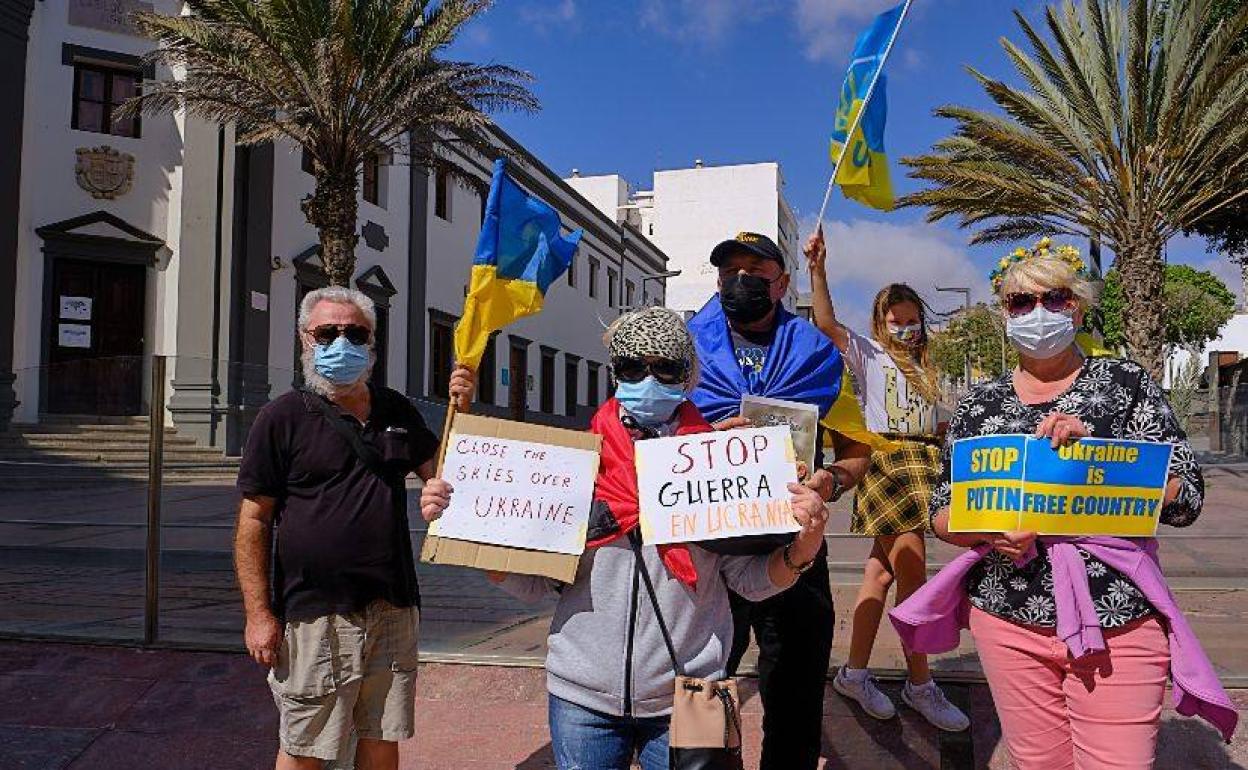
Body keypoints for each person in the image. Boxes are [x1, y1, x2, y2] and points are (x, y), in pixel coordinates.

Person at [419, 307, 834, 770]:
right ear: (615, 373)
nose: (648, 380)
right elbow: (536, 584)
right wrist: (471, 530)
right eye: (633, 367)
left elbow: (748, 581)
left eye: (665, 368)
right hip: (583, 698)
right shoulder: (573, 466)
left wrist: (804, 548)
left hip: (698, 689)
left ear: (687, 376)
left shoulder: (717, 464)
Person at [891, 241, 1238, 768]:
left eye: (1054, 298)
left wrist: (1099, 457)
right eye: (1020, 302)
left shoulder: (1126, 385)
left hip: (1118, 619)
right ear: (1005, 313)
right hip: (1008, 622)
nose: (1038, 312)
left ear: (1077, 307)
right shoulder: (980, 405)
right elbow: (942, 512)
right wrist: (987, 533)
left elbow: (1185, 498)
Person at [235, 286, 472, 770]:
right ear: (305, 340)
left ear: (372, 343)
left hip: (392, 606)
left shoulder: (395, 410)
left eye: (355, 334)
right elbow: (254, 520)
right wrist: (258, 614)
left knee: (382, 736)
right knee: (306, 745)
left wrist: (461, 412)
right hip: (315, 612)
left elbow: (448, 473)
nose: (341, 344)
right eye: (327, 333)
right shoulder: (281, 417)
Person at [685, 232, 871, 770]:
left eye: (755, 272)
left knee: (795, 693)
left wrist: (829, 482)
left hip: (794, 548)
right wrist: (702, 443)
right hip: (707, 551)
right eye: (729, 272)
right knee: (701, 685)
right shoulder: (685, 349)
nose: (740, 281)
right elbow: (647, 439)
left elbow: (857, 451)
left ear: (782, 283)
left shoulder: (819, 356)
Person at [803, 227, 969, 731]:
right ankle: (920, 684)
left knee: (880, 574)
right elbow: (827, 323)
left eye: (912, 320)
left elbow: (931, 417)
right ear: (880, 323)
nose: (905, 328)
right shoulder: (869, 354)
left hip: (925, 462)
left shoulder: (928, 366)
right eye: (896, 321)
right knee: (912, 570)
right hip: (889, 463)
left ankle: (854, 674)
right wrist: (818, 269)